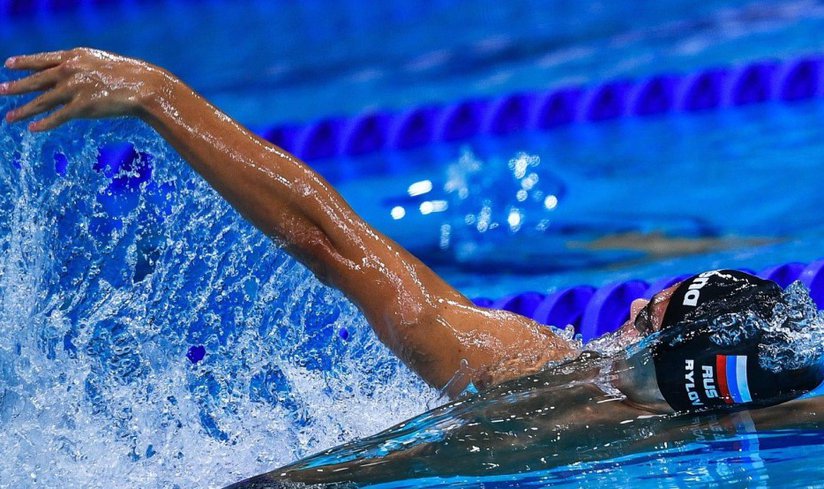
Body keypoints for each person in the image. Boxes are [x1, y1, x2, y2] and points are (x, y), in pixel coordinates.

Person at [3, 49, 823, 488]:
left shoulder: (527, 371)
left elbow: (325, 237)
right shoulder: (723, 422)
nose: (618, 316)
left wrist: (158, 93)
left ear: (663, 358)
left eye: (642, 315)